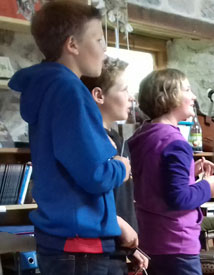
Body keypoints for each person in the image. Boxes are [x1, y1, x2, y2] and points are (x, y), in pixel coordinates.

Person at [8, 2, 130, 273]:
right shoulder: (70, 92)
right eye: (99, 39)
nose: (104, 48)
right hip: (80, 246)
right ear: (73, 45)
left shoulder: (50, 87)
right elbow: (95, 174)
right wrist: (121, 167)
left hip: (65, 242)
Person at [128, 68, 214, 274]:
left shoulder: (144, 136)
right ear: (169, 96)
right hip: (176, 242)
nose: (194, 96)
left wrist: (191, 171)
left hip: (151, 239)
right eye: (188, 90)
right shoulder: (176, 142)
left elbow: (155, 179)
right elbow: (179, 198)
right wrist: (209, 186)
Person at [81, 57, 149, 274]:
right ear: (99, 95)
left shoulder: (119, 142)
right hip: (90, 255)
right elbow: (81, 199)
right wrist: (118, 225)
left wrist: (128, 250)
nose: (131, 97)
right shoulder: (85, 140)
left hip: (114, 251)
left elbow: (118, 200)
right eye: (125, 90)